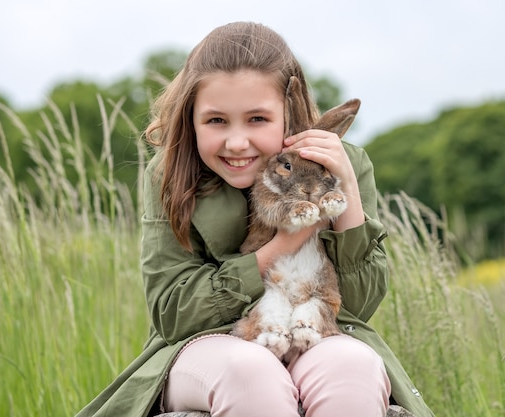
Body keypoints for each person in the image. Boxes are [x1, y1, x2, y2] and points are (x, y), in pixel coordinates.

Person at [75, 21, 435, 417]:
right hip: (204, 344)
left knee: (354, 369)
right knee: (252, 373)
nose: (236, 142)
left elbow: (360, 303)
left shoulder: (339, 165)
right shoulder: (171, 175)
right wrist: (284, 244)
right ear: (191, 119)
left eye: (257, 119)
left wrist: (345, 188)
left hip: (314, 327)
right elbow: (173, 314)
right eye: (216, 121)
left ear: (289, 114)